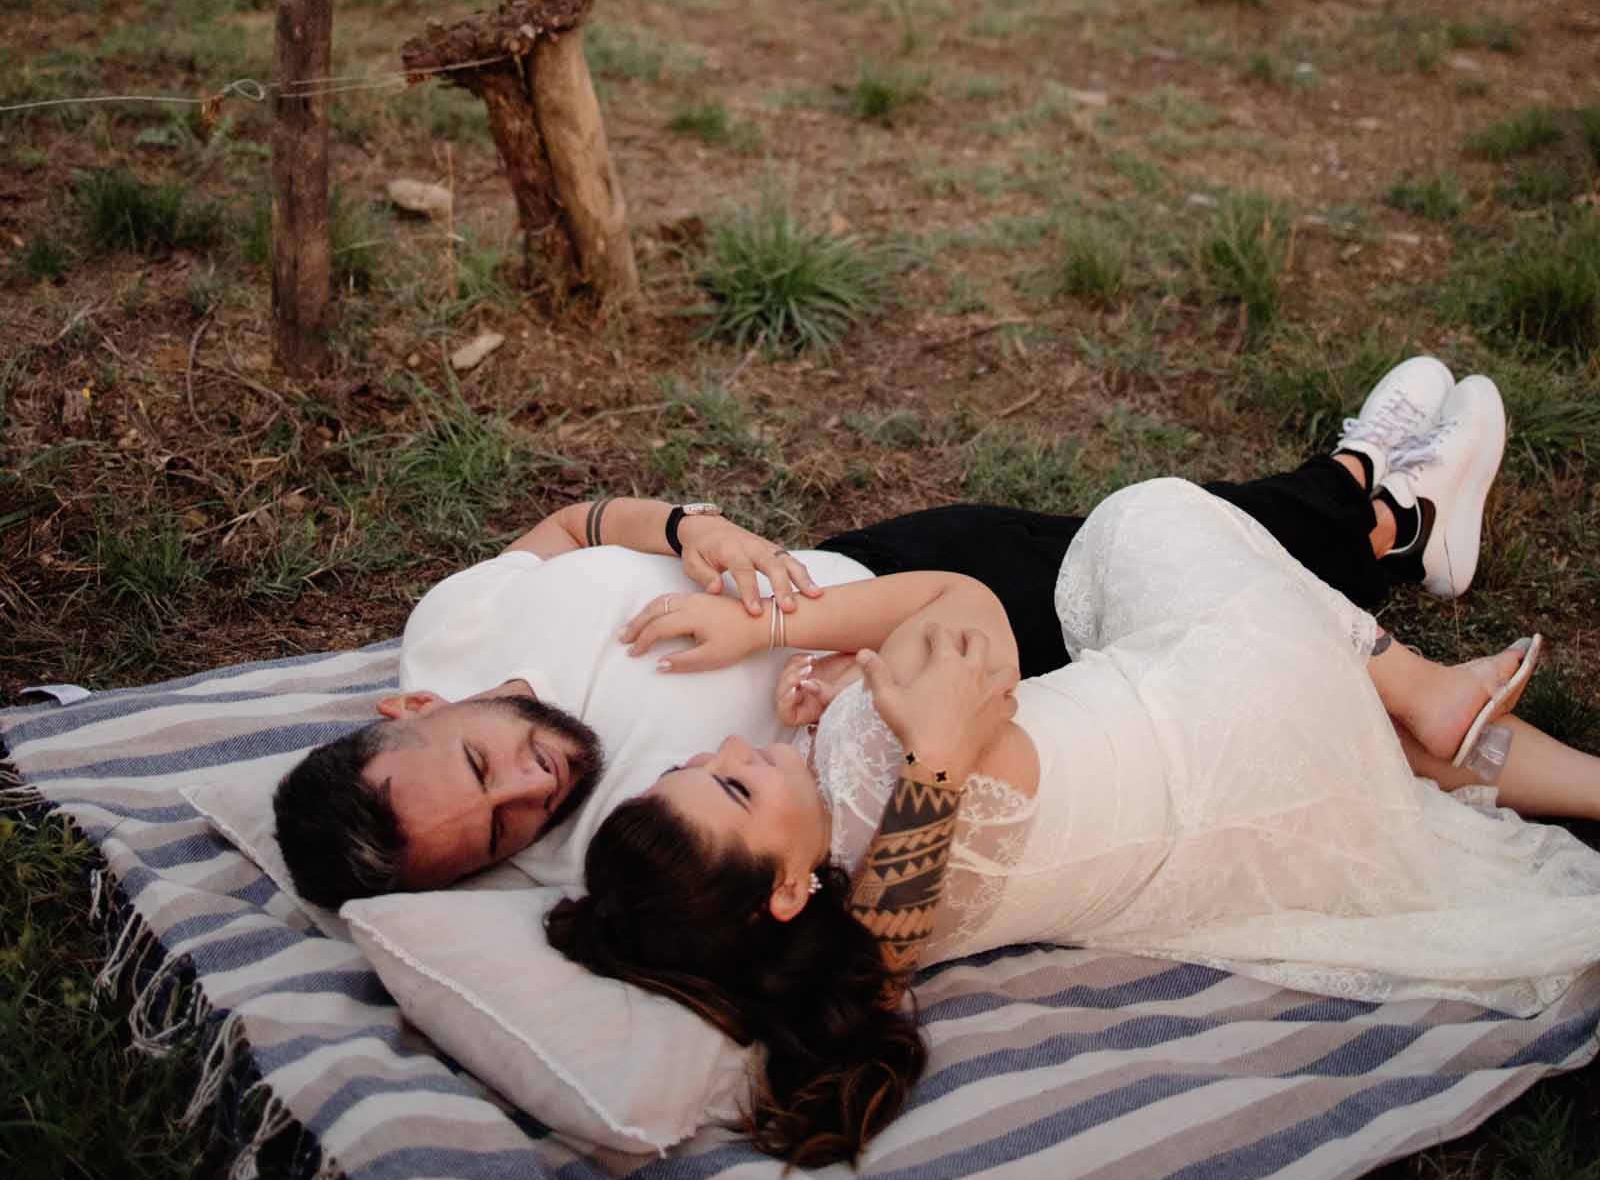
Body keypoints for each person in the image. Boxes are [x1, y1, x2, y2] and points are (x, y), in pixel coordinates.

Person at [549, 398, 1600, 1169]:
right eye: (732, 793)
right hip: (1245, 712)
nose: (729, 754)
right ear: (782, 891)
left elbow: (907, 847)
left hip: (1264, 819)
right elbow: (964, 598)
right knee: (1138, 521)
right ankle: (1412, 680)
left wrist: (885, 725)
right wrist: (783, 626)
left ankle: (1502, 738)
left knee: (1331, 727)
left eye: (701, 765)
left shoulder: (866, 942)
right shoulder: (890, 749)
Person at [273, 355, 1501, 907]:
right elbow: (812, 828)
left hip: (855, 559)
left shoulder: (445, 629)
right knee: (1150, 564)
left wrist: (691, 525)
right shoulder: (594, 858)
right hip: (913, 651)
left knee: (1109, 532)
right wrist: (827, 687)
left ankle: (1368, 495)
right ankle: (1376, 506)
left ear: (414, 709)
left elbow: (569, 520)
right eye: (494, 836)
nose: (528, 791)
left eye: (485, 767)